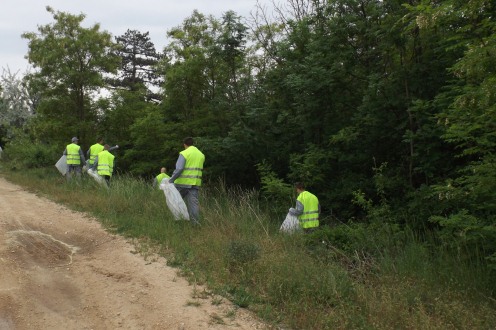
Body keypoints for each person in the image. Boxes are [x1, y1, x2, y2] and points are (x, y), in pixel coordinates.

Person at [168, 137, 205, 224]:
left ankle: (178, 221)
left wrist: (171, 180)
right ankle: (195, 224)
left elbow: (179, 169)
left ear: (184, 144)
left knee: (175, 201)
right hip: (195, 183)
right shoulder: (201, 154)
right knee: (193, 205)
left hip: (182, 183)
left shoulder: (184, 153)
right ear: (193, 143)